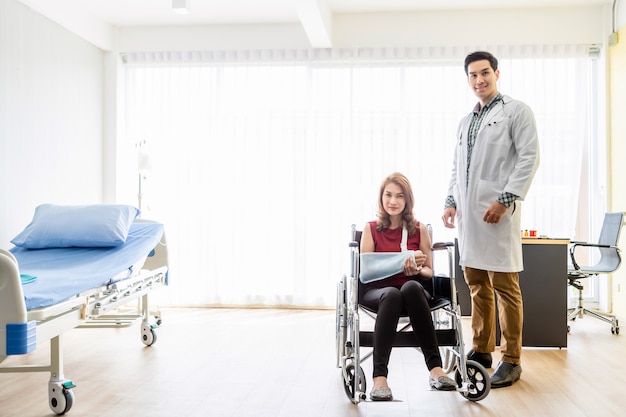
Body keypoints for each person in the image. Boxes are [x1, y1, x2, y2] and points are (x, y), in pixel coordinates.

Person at [441, 51, 540, 388]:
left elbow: (529, 158)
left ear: (497, 73)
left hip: (497, 214)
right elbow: (458, 167)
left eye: (485, 73)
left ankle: (512, 358)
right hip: (470, 218)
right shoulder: (465, 121)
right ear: (467, 79)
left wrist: (505, 200)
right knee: (477, 286)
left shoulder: (516, 112)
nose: (479, 80)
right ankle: (482, 349)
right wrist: (451, 201)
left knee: (505, 288)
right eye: (473, 75)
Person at [360, 172, 456, 401]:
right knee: (393, 294)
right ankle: (379, 378)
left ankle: (435, 369)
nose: (393, 201)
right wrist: (398, 265)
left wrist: (416, 270)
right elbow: (366, 271)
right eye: (388, 195)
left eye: (399, 196)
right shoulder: (370, 229)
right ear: (381, 198)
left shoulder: (419, 229)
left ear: (407, 200)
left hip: (414, 292)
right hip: (379, 292)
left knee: (410, 287)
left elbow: (429, 272)